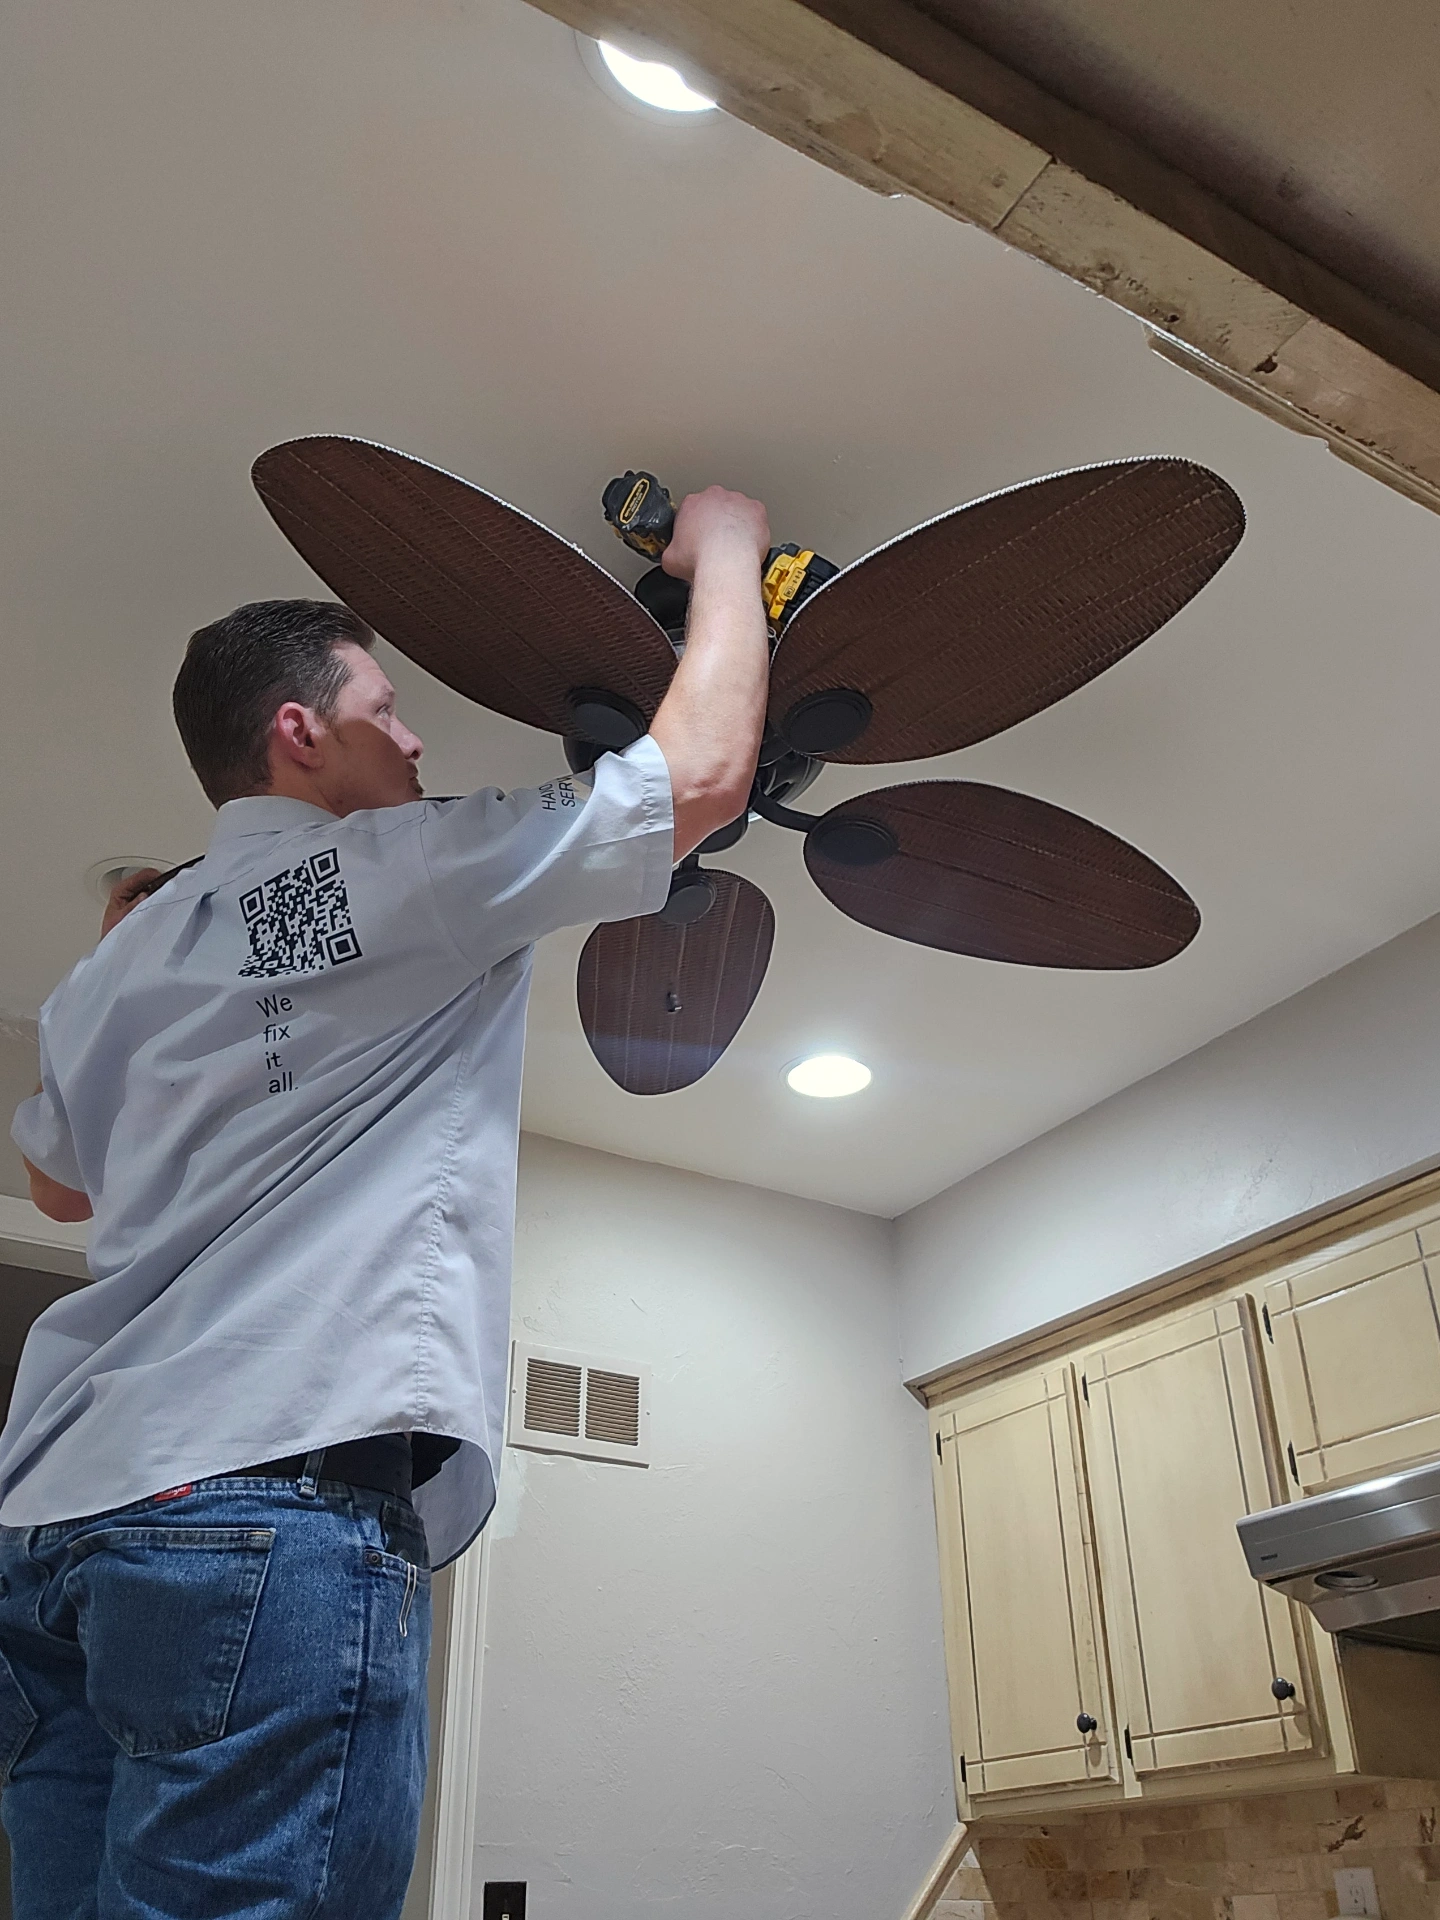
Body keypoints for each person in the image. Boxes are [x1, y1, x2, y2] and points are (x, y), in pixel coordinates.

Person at [0, 483, 771, 1919]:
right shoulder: (389, 873)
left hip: (54, 1527)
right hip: (257, 1500)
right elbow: (705, 777)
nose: (417, 737)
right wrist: (728, 544)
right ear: (299, 729)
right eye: (388, 703)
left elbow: (54, 1176)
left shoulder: (117, 959)